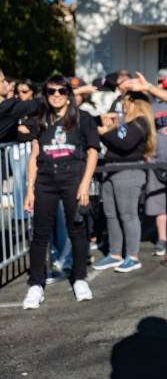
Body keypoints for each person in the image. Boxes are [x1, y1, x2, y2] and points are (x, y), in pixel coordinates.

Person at [21, 76, 100, 309]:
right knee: (40, 233)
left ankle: (79, 278)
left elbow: (93, 151)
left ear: (69, 94)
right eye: (51, 91)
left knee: (77, 229)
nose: (56, 95)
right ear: (45, 94)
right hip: (45, 180)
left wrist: (85, 184)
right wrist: (29, 189)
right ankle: (36, 284)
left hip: (73, 178)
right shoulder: (41, 120)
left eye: (61, 91)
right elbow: (34, 155)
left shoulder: (82, 118)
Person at [122, 71, 167, 256]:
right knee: (159, 204)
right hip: (156, 163)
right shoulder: (153, 107)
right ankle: (162, 239)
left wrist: (150, 88)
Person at [93, 91, 155, 273]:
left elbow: (125, 144)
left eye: (125, 101)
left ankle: (132, 256)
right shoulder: (126, 123)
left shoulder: (141, 121)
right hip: (111, 170)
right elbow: (118, 141)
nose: (122, 105)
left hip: (128, 171)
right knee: (111, 214)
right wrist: (109, 130)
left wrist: (105, 132)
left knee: (128, 215)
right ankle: (114, 254)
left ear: (134, 102)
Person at [0, 68, 41, 142]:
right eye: (2, 81)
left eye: (24, 91)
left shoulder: (38, 110)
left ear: (33, 91)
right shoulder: (9, 107)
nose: (20, 95)